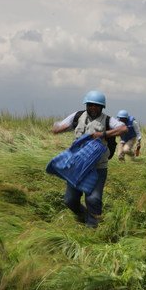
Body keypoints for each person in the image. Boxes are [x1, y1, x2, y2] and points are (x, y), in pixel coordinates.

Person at [51, 90, 126, 228]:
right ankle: (85, 217)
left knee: (93, 198)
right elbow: (62, 126)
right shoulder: (77, 116)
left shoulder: (108, 120)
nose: (93, 108)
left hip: (98, 167)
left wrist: (103, 134)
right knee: (69, 200)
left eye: (96, 106)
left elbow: (123, 129)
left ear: (102, 107)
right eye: (90, 105)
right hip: (77, 166)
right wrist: (57, 129)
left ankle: (93, 228)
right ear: (86, 105)